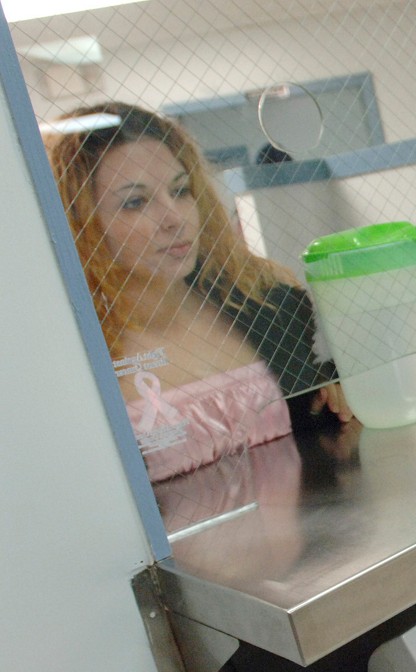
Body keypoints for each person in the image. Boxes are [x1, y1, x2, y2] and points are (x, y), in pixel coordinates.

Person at [45, 102, 351, 482]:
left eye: (180, 190)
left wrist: (331, 405)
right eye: (135, 202)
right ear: (79, 223)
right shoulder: (70, 362)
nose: (174, 218)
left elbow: (311, 432)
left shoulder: (260, 304)